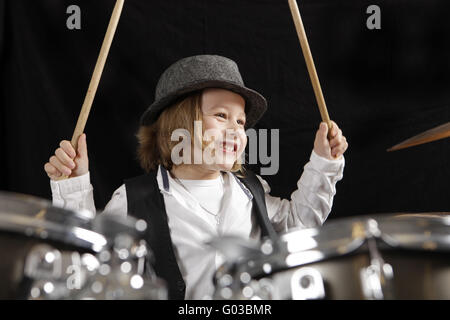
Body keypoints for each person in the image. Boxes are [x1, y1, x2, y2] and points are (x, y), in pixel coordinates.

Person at [44, 55, 348, 299]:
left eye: (241, 122)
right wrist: (73, 188)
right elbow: (90, 268)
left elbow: (299, 226)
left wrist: (324, 162)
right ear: (181, 124)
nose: (236, 131)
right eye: (221, 116)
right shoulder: (134, 200)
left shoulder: (252, 192)